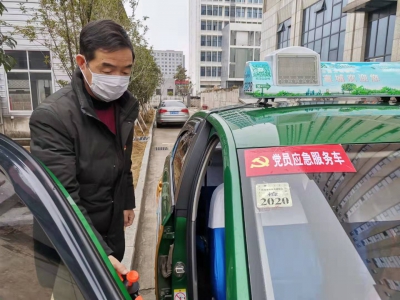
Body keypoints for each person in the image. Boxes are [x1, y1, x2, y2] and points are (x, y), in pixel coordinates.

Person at [30, 19, 138, 276]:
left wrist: (126, 202)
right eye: (108, 69)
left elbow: (124, 161)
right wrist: (97, 252)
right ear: (82, 63)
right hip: (72, 242)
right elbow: (61, 198)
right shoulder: (53, 117)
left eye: (126, 71)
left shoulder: (124, 108)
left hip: (110, 229)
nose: (117, 79)